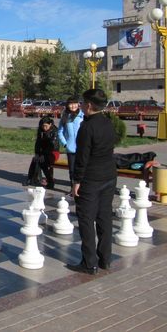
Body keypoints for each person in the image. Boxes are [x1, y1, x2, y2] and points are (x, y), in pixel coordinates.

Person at [68, 88, 117, 275]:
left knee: (87, 220)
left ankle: (89, 263)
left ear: (89, 105)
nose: (80, 105)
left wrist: (76, 181)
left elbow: (82, 157)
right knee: (104, 218)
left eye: (82, 102)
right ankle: (105, 259)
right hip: (109, 176)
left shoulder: (87, 127)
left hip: (91, 179)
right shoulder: (108, 123)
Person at [58, 96, 84, 194]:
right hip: (70, 149)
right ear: (67, 105)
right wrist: (65, 144)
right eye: (70, 104)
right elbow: (60, 132)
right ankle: (73, 189)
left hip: (82, 148)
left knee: (82, 169)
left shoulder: (83, 116)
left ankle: (81, 189)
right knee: (72, 170)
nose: (73, 106)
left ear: (78, 104)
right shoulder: (65, 117)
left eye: (75, 103)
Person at [26, 116, 60, 189]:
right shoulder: (41, 131)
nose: (44, 127)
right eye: (43, 126)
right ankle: (30, 178)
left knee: (43, 162)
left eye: (46, 126)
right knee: (35, 159)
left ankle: (50, 182)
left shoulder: (55, 131)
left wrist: (43, 155)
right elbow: (37, 144)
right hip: (43, 152)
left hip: (53, 152)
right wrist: (37, 154)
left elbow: (53, 146)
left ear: (50, 124)